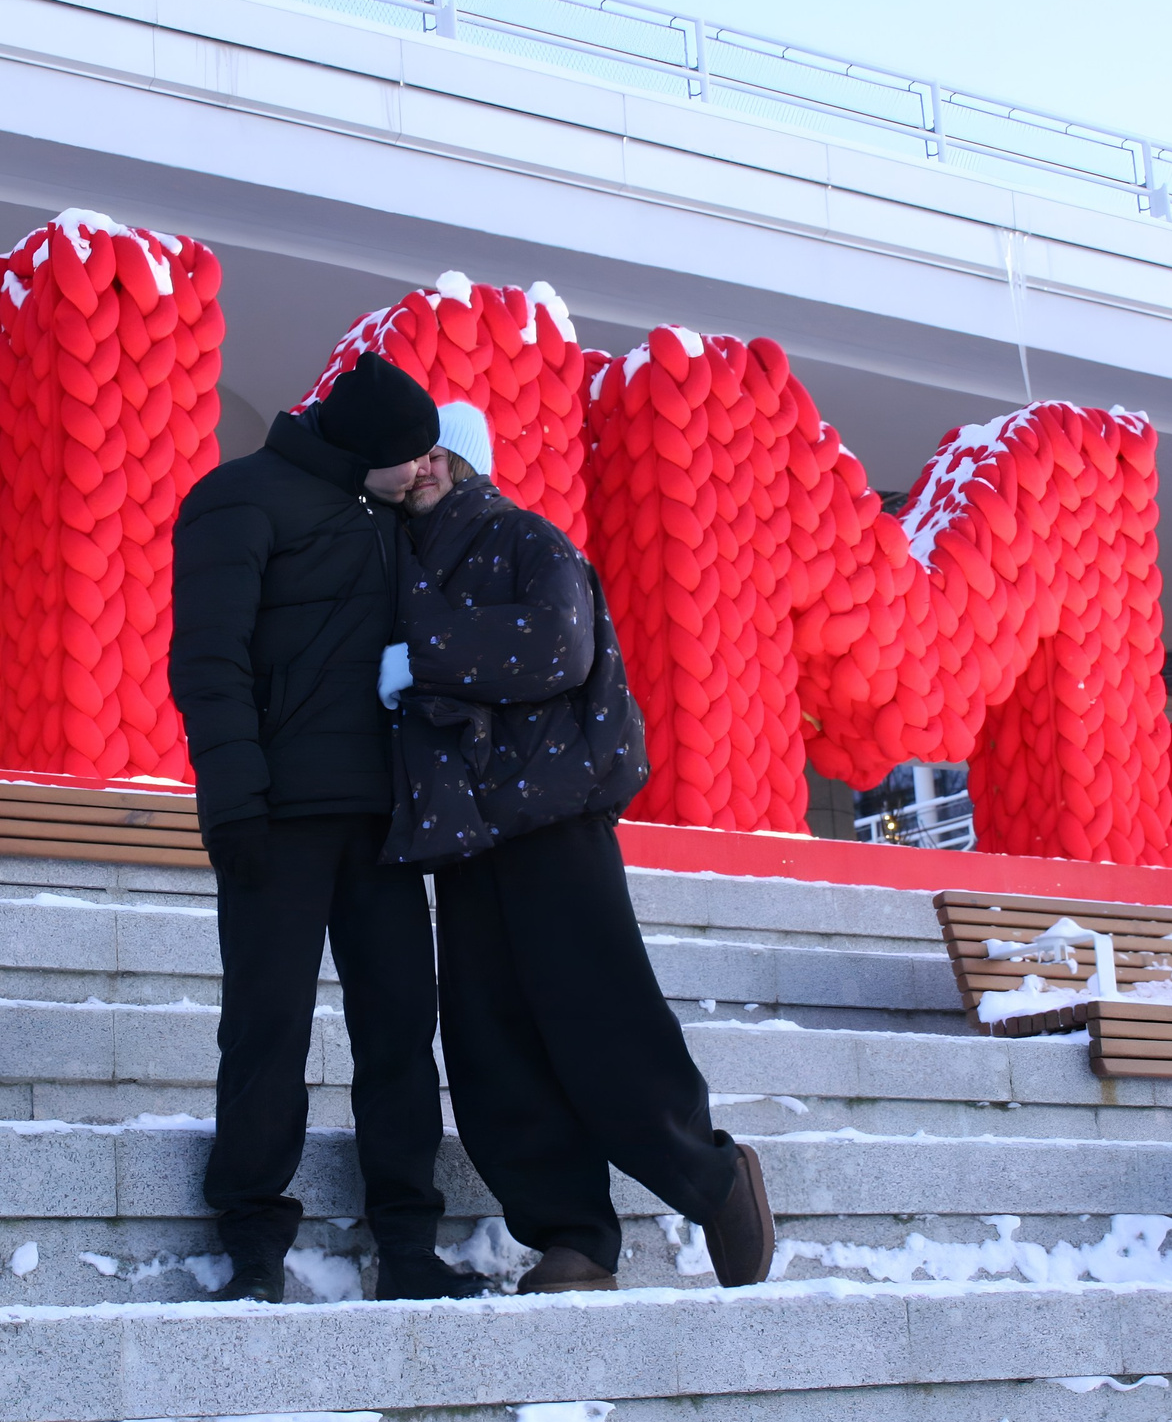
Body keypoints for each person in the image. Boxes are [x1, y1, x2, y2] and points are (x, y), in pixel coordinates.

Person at [377, 400, 776, 1295]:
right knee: (489, 1048)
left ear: (471, 462)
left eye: (445, 450)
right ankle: (575, 1238)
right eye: (418, 452)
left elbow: (556, 644)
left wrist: (422, 654)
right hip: (463, 836)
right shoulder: (396, 558)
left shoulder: (529, 540)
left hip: (553, 821)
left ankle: (713, 1177)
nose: (429, 464)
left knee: (604, 1020)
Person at [168, 353, 489, 1304]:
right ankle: (255, 1248)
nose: (424, 470)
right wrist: (232, 802)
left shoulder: (393, 514)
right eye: (412, 456)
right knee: (266, 1028)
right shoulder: (236, 499)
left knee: (399, 1030)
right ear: (363, 451)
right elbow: (208, 660)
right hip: (277, 816)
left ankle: (408, 1248)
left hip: (385, 821)